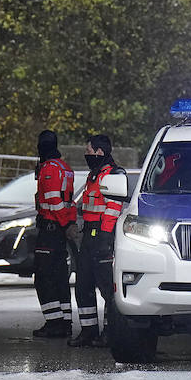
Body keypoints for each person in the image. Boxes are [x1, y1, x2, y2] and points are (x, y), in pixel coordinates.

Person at [70, 134, 126, 347]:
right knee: (83, 285)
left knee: (107, 288)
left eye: (89, 151)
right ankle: (88, 331)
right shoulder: (94, 174)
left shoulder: (113, 174)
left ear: (100, 152)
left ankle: (110, 332)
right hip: (89, 236)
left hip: (103, 236)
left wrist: (104, 238)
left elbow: (113, 210)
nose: (87, 155)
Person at [32, 129, 76, 338]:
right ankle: (65, 320)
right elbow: (67, 201)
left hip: (50, 228)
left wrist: (65, 223)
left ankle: (54, 322)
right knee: (60, 276)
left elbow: (53, 201)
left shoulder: (49, 168)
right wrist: (69, 224)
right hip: (59, 230)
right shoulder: (65, 167)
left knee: (43, 277)